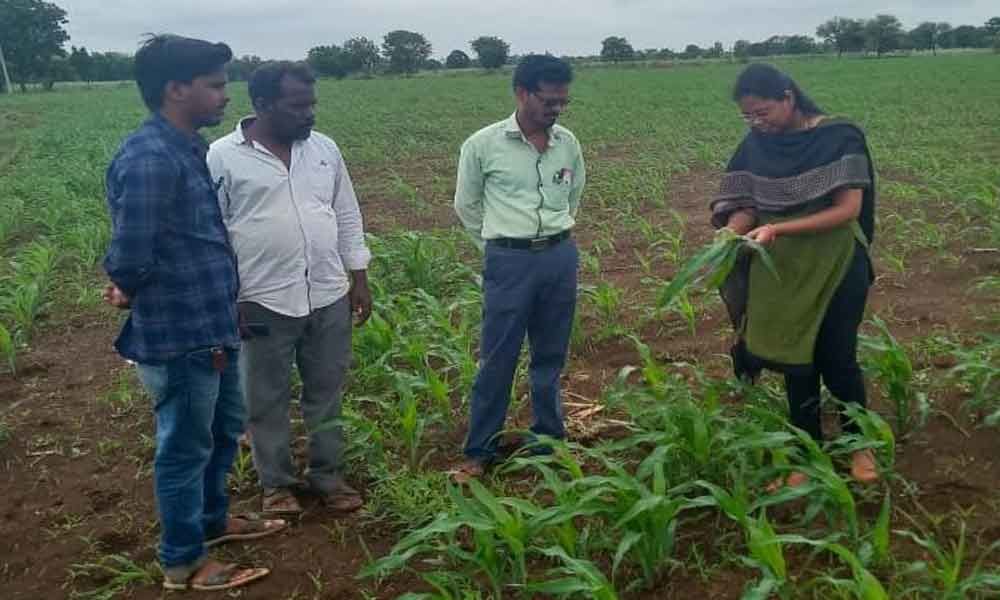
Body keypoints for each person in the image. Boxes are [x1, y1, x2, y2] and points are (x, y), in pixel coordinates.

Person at [103, 35, 286, 591]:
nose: (225, 96)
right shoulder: (151, 157)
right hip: (181, 333)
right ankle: (183, 560)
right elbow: (130, 253)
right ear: (175, 89)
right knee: (184, 446)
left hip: (212, 323)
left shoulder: (185, 148)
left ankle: (213, 520)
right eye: (214, 84)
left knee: (226, 427)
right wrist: (127, 289)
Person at [207, 61, 372, 515]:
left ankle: (328, 477)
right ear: (262, 105)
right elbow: (214, 232)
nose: (310, 113)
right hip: (260, 298)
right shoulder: (222, 156)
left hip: (327, 291)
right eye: (298, 105)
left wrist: (358, 276)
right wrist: (229, 297)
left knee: (326, 390)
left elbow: (346, 213)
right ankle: (276, 484)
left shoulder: (324, 149)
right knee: (265, 397)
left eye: (312, 103)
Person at [710, 63, 879, 489]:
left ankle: (859, 445)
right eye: (748, 116)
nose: (756, 123)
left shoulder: (838, 136)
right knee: (795, 360)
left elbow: (847, 210)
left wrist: (778, 228)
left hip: (836, 262)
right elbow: (749, 204)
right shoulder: (757, 145)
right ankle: (807, 453)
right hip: (780, 268)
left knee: (837, 357)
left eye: (763, 112)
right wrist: (731, 234)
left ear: (789, 97)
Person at [451, 54, 586, 482]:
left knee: (549, 356)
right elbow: (466, 205)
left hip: (560, 257)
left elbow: (574, 195)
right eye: (548, 101)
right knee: (498, 358)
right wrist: (500, 247)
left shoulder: (567, 143)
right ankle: (480, 451)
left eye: (562, 102)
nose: (556, 109)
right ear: (522, 93)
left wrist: (552, 240)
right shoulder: (483, 145)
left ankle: (549, 440)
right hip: (509, 261)